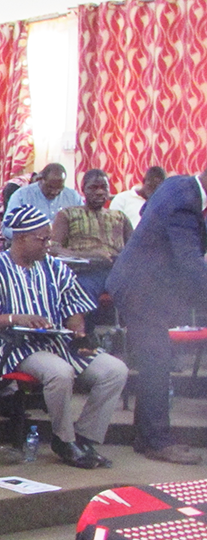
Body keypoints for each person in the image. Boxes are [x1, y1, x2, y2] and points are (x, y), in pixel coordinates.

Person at [0, 206, 127, 469]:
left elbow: (73, 309)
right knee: (59, 373)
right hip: (11, 347)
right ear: (21, 238)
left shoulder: (54, 268)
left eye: (48, 239)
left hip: (56, 342)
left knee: (115, 370)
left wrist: (78, 332)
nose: (48, 245)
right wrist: (15, 318)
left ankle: (85, 438)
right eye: (42, 239)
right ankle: (64, 439)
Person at [107, 167, 207, 465]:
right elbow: (189, 262)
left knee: (155, 361)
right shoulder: (184, 206)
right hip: (142, 291)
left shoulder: (179, 184)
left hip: (141, 285)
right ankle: (157, 441)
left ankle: (145, 437)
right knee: (157, 363)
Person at [50, 169, 132, 301]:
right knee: (80, 294)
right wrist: (89, 255)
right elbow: (53, 249)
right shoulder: (68, 215)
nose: (99, 192)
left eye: (104, 187)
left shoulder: (120, 217)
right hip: (83, 272)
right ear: (83, 190)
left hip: (117, 273)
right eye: (93, 188)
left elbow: (134, 249)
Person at [3, 163, 83, 238]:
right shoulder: (22, 195)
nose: (54, 192)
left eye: (59, 188)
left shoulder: (73, 197)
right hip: (31, 247)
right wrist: (30, 237)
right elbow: (6, 228)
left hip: (64, 248)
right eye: (50, 187)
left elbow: (83, 224)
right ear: (40, 180)